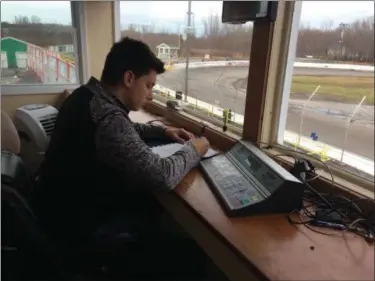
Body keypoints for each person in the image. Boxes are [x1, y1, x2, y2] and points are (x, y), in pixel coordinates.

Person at [33, 37, 211, 278]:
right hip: (81, 228)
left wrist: (163, 130)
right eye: (148, 85)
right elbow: (162, 176)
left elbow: (123, 130)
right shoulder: (108, 117)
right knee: (191, 255)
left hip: (59, 210)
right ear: (128, 79)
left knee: (147, 204)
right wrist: (195, 149)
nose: (150, 95)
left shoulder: (86, 97)